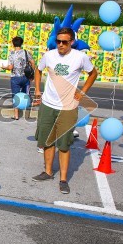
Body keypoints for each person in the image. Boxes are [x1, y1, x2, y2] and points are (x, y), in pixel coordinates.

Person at [32, 27, 97, 194]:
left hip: (68, 107)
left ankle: (63, 180)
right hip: (48, 104)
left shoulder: (80, 57)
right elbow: (38, 70)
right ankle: (47, 172)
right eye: (58, 41)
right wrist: (38, 90)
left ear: (72, 42)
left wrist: (82, 92)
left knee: (64, 145)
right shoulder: (49, 55)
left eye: (64, 42)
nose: (60, 45)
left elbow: (93, 73)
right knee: (47, 141)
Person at [1, 36, 35, 120]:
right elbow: (33, 62)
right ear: (21, 43)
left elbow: (10, 67)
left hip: (15, 78)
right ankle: (26, 112)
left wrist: (4, 67)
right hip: (25, 77)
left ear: (13, 44)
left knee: (15, 96)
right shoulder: (26, 52)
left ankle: (16, 115)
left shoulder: (12, 54)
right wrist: (31, 73)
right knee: (25, 95)